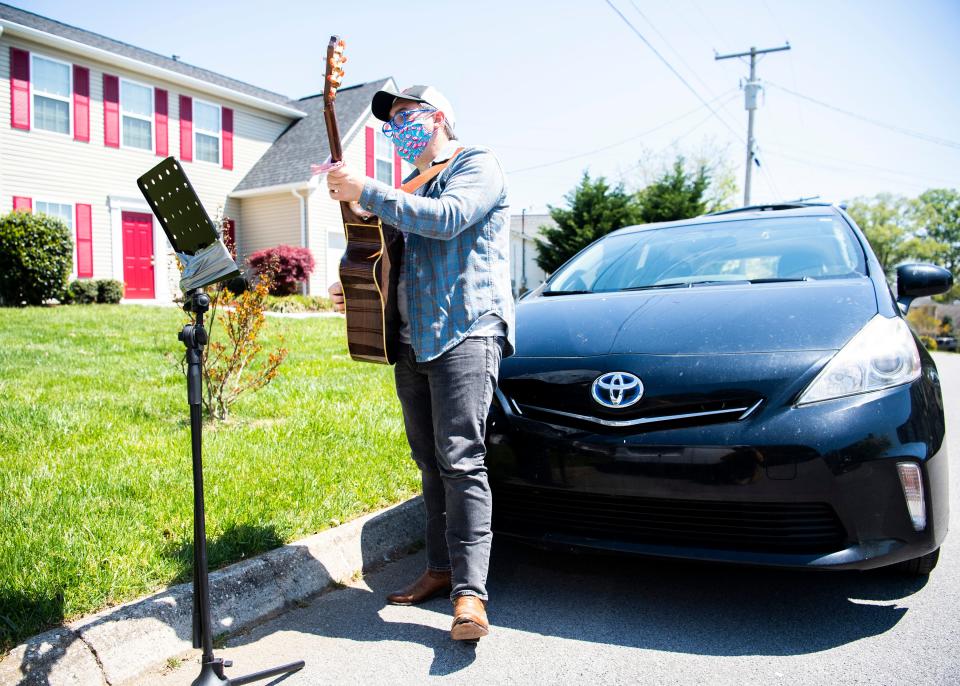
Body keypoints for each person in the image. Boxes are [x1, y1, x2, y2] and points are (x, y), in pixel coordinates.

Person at [326, 85, 514, 642]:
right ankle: (439, 568)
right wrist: (358, 285)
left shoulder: (476, 164)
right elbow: (394, 257)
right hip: (410, 339)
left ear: (440, 119)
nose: (399, 127)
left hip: (465, 330)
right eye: (392, 121)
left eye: (409, 115)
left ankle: (470, 596)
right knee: (430, 462)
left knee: (461, 459)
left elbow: (448, 219)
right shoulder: (404, 186)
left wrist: (369, 190)